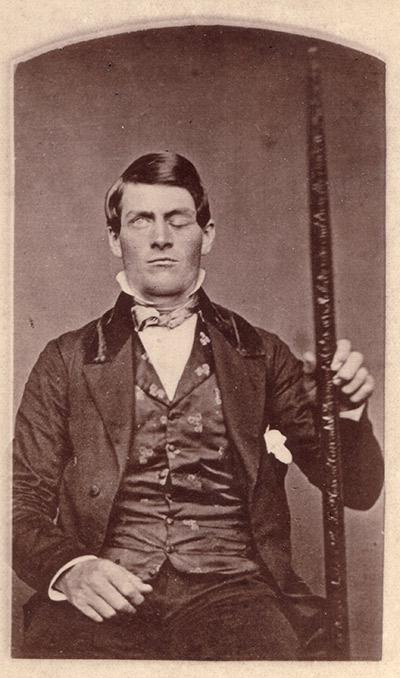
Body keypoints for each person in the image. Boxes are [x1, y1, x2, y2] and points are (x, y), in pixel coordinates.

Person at [13, 151, 383, 660]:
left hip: (235, 595)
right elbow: (19, 502)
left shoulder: (261, 354)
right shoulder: (65, 359)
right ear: (114, 238)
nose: (160, 236)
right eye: (141, 219)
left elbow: (357, 490)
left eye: (177, 219)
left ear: (206, 234)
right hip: (105, 590)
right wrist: (72, 569)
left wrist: (344, 415)